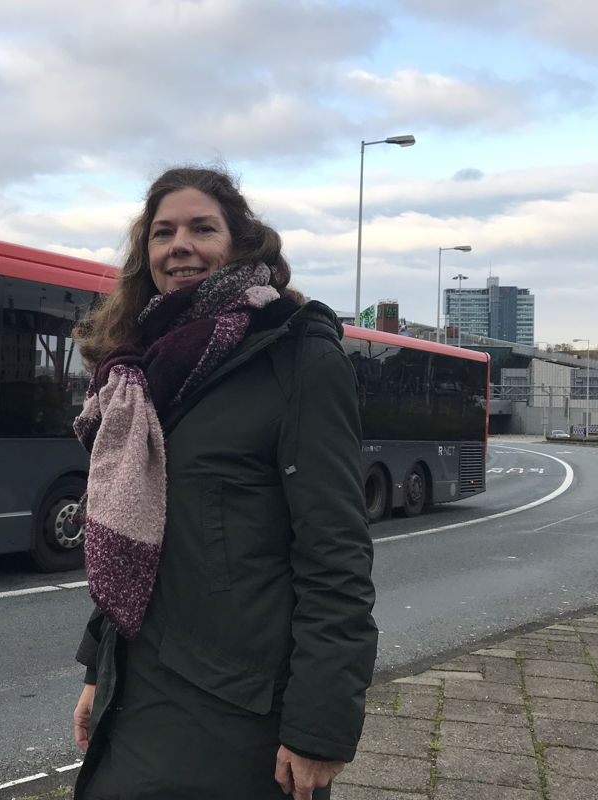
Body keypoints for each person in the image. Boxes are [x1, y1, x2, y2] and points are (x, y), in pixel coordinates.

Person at [69, 166, 377, 800]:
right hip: (136, 691)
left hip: (239, 709)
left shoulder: (295, 357)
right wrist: (98, 669)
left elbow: (335, 553)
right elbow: (136, 538)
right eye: (162, 232)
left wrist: (321, 725)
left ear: (239, 243)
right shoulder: (137, 369)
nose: (179, 244)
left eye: (201, 227)